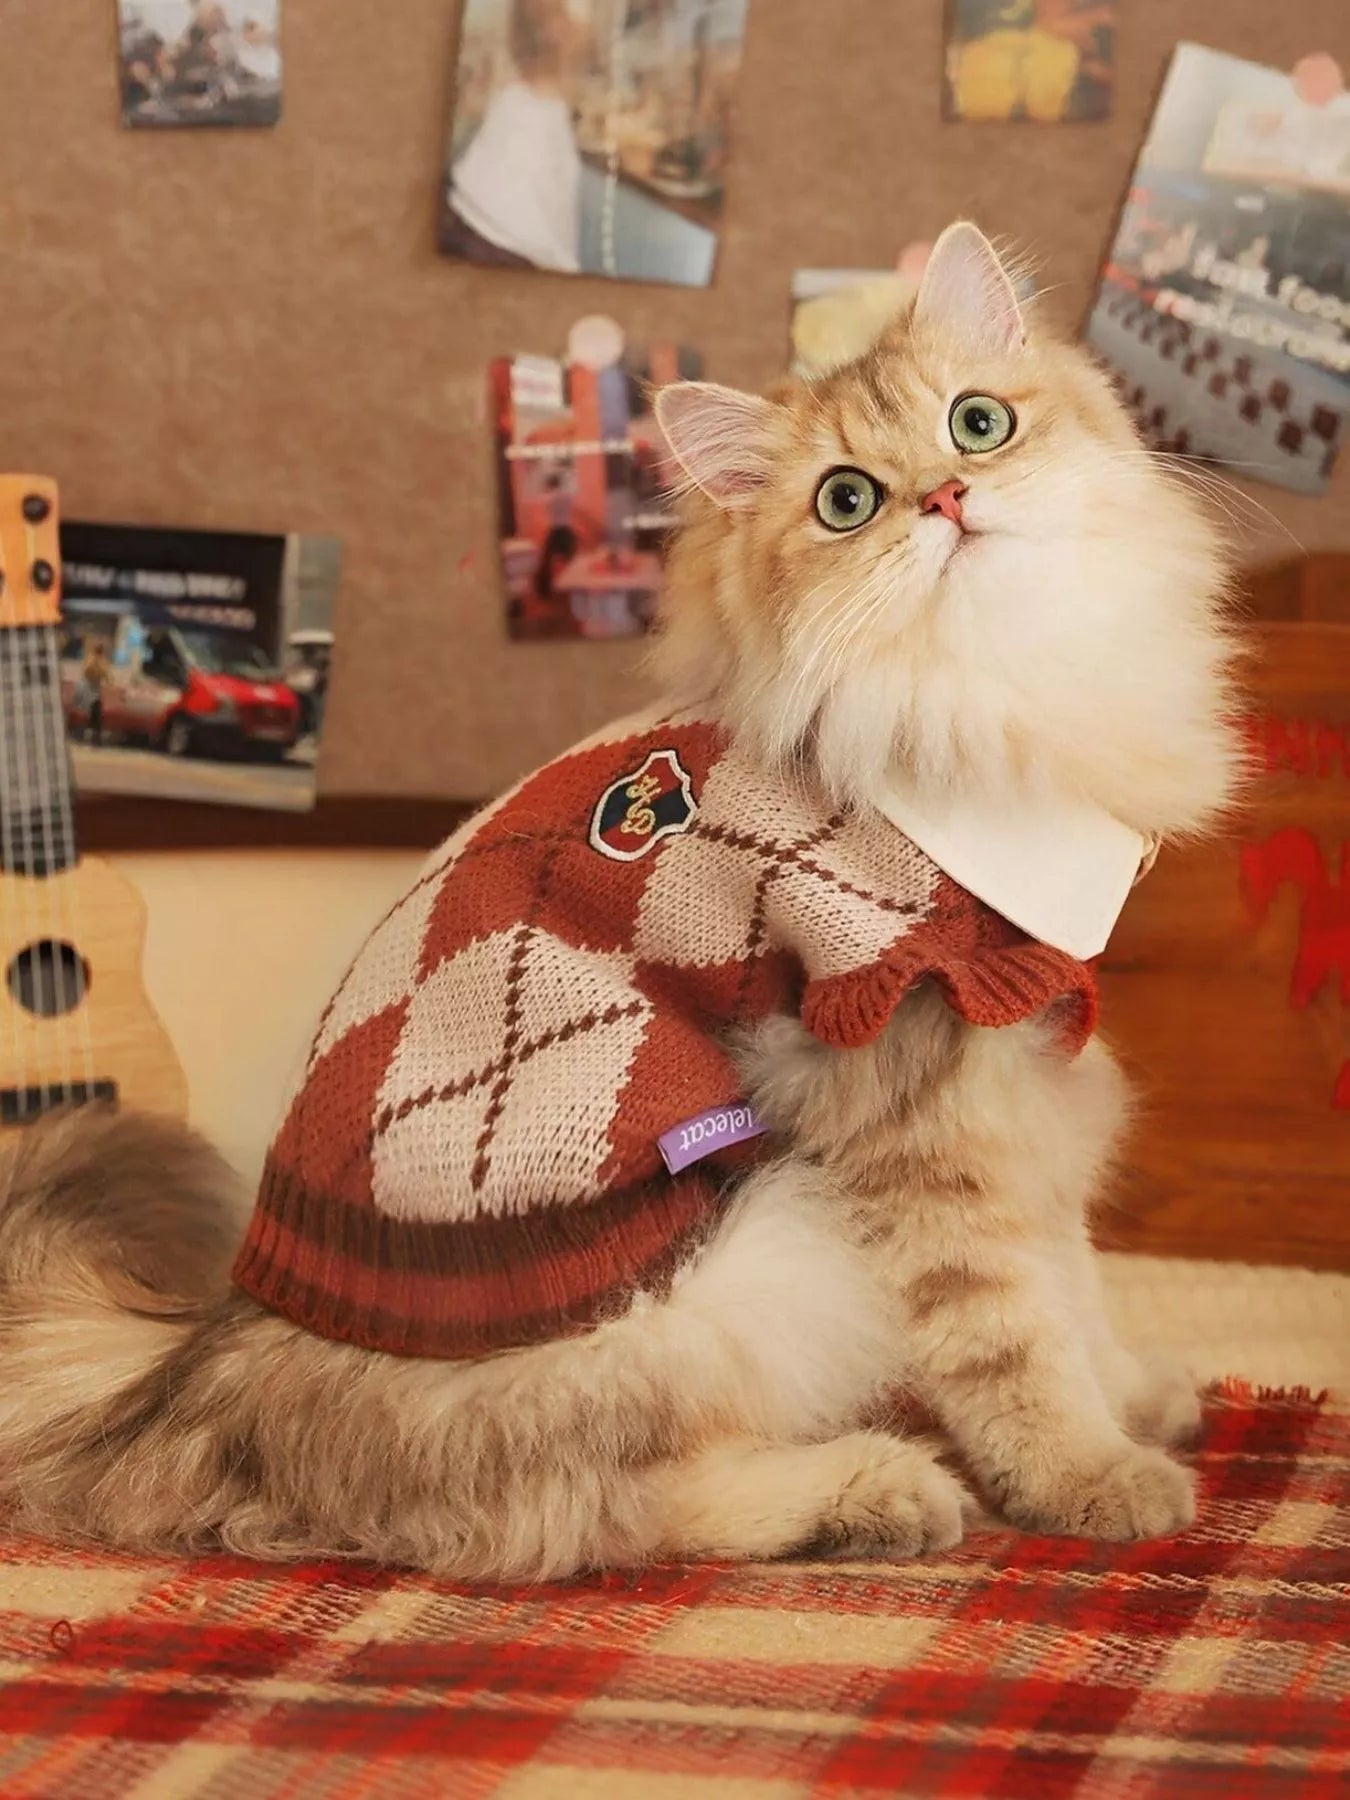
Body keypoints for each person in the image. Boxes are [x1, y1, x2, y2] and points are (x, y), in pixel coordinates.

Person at [443, 0, 584, 273]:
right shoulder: (545, 120)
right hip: (504, 250)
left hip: (463, 219)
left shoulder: (511, 99)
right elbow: (551, 231)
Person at [81, 640, 112, 747]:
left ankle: (94, 739)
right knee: (92, 715)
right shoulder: (93, 659)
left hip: (95, 691)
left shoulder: (100, 661)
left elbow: (106, 675)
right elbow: (87, 671)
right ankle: (91, 738)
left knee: (95, 715)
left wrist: (108, 681)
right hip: (90, 689)